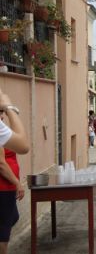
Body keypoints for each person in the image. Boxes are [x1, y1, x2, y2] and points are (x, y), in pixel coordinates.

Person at [0, 95, 28, 254]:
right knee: (3, 233)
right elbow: (1, 163)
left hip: (7, 186)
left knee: (12, 218)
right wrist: (17, 183)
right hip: (3, 187)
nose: (2, 115)